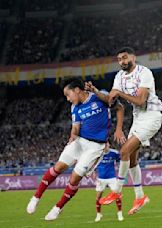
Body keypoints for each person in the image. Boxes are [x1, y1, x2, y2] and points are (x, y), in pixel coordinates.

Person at [26, 78, 125, 221]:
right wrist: (72, 137)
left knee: (74, 177)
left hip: (96, 147)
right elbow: (76, 127)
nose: (67, 99)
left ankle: (57, 208)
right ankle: (36, 197)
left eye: (68, 95)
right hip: (80, 141)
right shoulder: (75, 107)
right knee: (58, 167)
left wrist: (95, 91)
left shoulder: (98, 96)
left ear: (77, 90)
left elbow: (113, 103)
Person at [98, 47, 162, 215]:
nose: (122, 61)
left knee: (124, 150)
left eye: (125, 58)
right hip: (137, 118)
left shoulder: (144, 72)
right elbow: (112, 100)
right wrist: (96, 92)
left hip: (151, 115)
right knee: (132, 158)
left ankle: (117, 190)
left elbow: (141, 101)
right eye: (119, 59)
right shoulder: (119, 76)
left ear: (133, 57)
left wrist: (120, 93)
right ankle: (140, 196)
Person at [94, 147, 123, 222]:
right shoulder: (98, 153)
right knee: (98, 197)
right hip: (101, 178)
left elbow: (121, 160)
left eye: (107, 144)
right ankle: (98, 214)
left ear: (108, 144)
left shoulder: (114, 153)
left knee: (117, 195)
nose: (105, 146)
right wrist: (94, 172)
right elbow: (94, 163)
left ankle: (119, 213)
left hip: (112, 177)